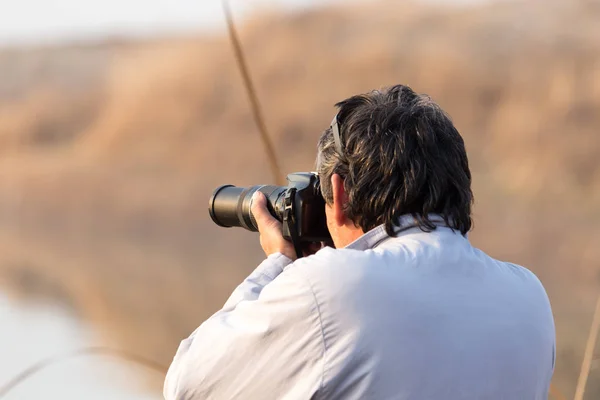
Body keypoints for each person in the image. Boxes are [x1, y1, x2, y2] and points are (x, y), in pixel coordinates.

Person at [163, 85, 555, 399]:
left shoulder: (330, 286)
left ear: (340, 191)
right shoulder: (529, 294)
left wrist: (280, 263)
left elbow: (189, 385)